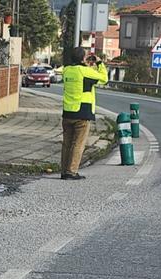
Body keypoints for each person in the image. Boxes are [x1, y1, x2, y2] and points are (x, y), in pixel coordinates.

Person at [61, 48, 108, 180]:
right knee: (78, 143)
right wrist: (99, 63)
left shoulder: (67, 70)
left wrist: (85, 64)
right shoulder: (85, 71)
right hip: (82, 112)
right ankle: (72, 171)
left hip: (67, 112)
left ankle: (64, 171)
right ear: (83, 59)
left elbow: (81, 78)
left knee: (67, 143)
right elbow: (104, 78)